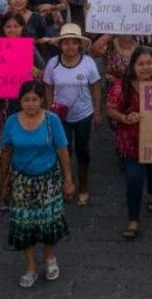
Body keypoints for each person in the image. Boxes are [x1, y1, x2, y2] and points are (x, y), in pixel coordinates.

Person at [0, 80, 73, 288]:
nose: (31, 104)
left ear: (42, 100)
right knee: (25, 225)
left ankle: (49, 258)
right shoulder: (12, 122)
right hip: (22, 181)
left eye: (35, 99)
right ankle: (31, 267)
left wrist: (68, 178)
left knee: (48, 222)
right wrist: (3, 183)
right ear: (20, 101)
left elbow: (62, 150)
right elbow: (6, 152)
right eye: (26, 100)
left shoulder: (52, 121)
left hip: (48, 179)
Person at [104, 46, 152, 239]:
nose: (145, 67)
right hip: (131, 140)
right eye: (141, 64)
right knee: (134, 179)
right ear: (133, 66)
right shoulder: (122, 85)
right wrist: (124, 118)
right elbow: (110, 109)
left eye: (149, 63)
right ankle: (133, 219)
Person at [42, 23, 101, 205]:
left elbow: (96, 87)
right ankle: (66, 183)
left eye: (73, 43)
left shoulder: (88, 63)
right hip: (60, 117)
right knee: (64, 151)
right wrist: (50, 109)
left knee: (83, 151)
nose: (70, 47)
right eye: (66, 43)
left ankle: (83, 186)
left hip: (83, 114)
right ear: (61, 45)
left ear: (79, 45)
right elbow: (48, 87)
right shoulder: (53, 64)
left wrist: (98, 112)